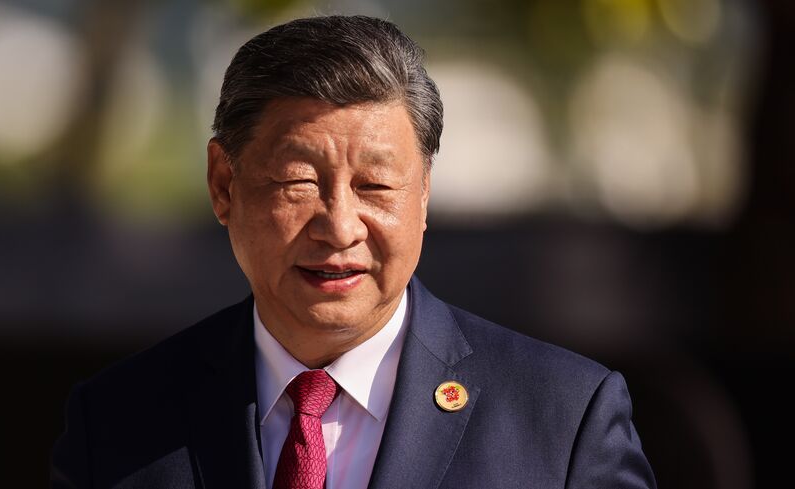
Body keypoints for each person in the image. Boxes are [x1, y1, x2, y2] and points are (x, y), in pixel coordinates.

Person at [51, 15, 656, 489]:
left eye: (375, 186)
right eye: (298, 182)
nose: (340, 227)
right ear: (224, 186)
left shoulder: (562, 418)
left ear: (423, 194)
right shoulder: (117, 419)